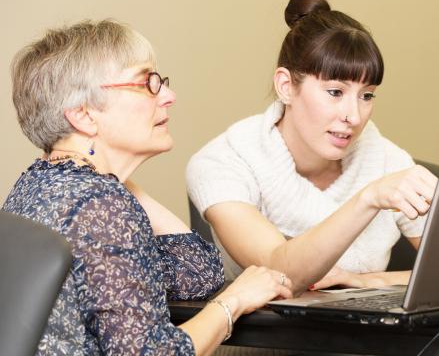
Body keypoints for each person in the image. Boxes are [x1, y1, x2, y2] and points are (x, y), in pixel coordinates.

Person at [3, 20, 293, 355]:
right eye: (147, 83)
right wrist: (236, 299)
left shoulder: (41, 182)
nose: (169, 96)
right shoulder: (98, 205)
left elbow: (195, 273)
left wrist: (113, 174)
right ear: (83, 115)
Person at [187, 0, 438, 294]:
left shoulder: (387, 159)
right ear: (286, 86)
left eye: (367, 95)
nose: (354, 116)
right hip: (267, 338)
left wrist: (367, 281)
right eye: (335, 92)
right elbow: (278, 271)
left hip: (376, 337)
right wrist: (368, 199)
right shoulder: (223, 161)